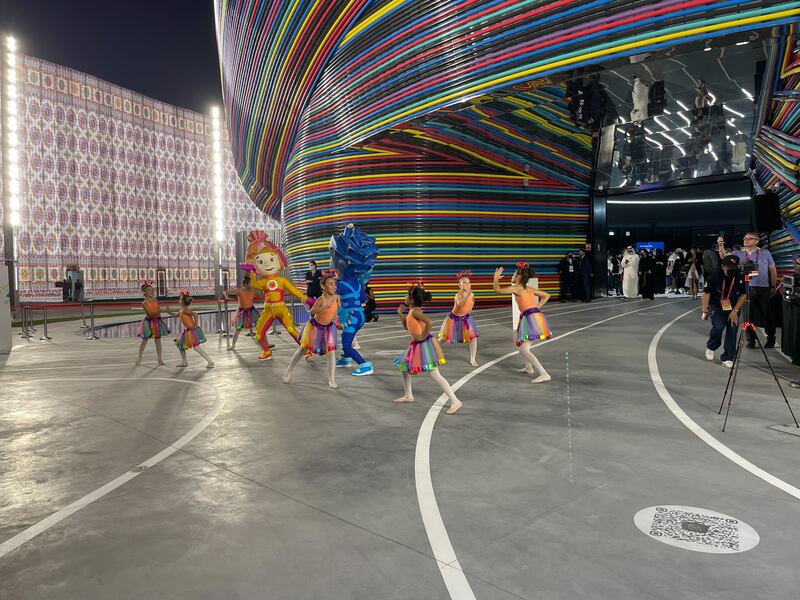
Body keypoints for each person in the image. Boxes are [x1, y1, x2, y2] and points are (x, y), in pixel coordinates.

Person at [394, 283, 463, 415]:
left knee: (435, 374)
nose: (404, 296)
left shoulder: (415, 311)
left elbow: (429, 322)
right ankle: (408, 395)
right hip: (417, 343)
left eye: (406, 294)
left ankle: (455, 401)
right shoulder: (412, 311)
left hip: (423, 344)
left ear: (412, 299)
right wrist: (400, 314)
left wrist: (423, 335)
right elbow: (406, 326)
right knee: (404, 368)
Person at [493, 262, 552, 383]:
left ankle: (544, 373)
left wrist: (495, 278)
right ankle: (528, 367)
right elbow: (547, 295)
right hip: (532, 316)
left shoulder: (517, 288)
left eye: (513, 274)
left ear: (519, 277)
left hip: (530, 318)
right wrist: (536, 308)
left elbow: (497, 290)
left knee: (524, 349)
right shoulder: (528, 288)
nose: (511, 277)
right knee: (520, 343)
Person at [718, 232, 778, 348]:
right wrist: (721, 244)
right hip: (745, 288)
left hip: (763, 288)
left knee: (766, 313)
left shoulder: (765, 253)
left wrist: (773, 286)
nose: (746, 240)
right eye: (745, 238)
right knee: (748, 315)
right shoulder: (738, 253)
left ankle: (771, 338)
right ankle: (751, 339)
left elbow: (772, 270)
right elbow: (723, 257)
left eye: (749, 238)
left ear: (756, 241)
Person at [283, 270, 340, 388]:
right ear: (323, 286)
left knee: (332, 352)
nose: (334, 286)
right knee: (303, 349)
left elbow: (335, 310)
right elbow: (312, 311)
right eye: (330, 284)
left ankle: (332, 379)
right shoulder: (321, 299)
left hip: (329, 328)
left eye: (334, 284)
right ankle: (289, 370)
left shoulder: (336, 297)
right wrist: (325, 307)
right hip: (315, 327)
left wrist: (336, 319)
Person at [702, 255, 746, 367]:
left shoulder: (740, 277)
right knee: (718, 327)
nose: (732, 270)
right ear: (723, 267)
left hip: (734, 306)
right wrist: (705, 310)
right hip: (717, 305)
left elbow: (743, 295)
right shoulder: (714, 276)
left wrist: (735, 311)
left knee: (732, 330)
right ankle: (711, 346)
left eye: (734, 268)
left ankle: (728, 357)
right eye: (729, 268)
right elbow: (707, 293)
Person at [438, 270, 479, 367]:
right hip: (453, 319)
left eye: (468, 283)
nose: (467, 285)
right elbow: (460, 304)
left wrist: (469, 310)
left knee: (473, 338)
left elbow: (472, 301)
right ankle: (432, 350)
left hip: (465, 318)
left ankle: (473, 359)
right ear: (459, 286)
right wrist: (467, 295)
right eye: (464, 283)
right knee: (443, 338)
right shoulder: (458, 295)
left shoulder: (471, 294)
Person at [173, 292, 214, 369]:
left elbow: (195, 314)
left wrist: (195, 324)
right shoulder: (182, 310)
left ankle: (210, 361)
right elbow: (175, 315)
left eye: (180, 299)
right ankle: (184, 361)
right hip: (188, 331)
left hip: (191, 331)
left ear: (182, 302)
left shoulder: (185, 310)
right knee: (180, 346)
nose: (178, 301)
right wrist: (168, 311)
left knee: (196, 347)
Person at [135, 282, 170, 366]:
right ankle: (139, 357)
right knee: (144, 341)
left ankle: (159, 359)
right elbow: (150, 314)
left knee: (158, 341)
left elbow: (157, 310)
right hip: (148, 323)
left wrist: (160, 315)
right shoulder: (144, 303)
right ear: (144, 292)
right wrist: (161, 310)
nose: (152, 291)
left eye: (152, 289)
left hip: (157, 322)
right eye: (149, 290)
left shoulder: (155, 300)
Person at [223, 275, 261, 350]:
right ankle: (233, 345)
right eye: (250, 283)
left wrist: (256, 289)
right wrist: (227, 297)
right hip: (242, 312)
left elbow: (259, 294)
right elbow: (225, 292)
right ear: (246, 284)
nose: (251, 285)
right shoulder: (240, 290)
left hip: (251, 310)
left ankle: (265, 343)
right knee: (238, 329)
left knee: (260, 326)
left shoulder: (252, 290)